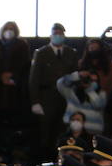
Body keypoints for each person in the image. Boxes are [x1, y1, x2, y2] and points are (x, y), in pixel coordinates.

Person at [29, 23, 80, 158]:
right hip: (46, 97)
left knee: (62, 131)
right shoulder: (41, 53)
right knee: (45, 132)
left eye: (60, 33)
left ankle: (60, 159)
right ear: (51, 35)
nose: (58, 35)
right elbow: (34, 79)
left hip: (65, 98)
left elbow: (75, 76)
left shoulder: (71, 53)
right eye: (55, 33)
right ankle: (44, 160)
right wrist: (35, 102)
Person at [0, 21, 31, 131]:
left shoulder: (22, 45)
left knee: (14, 121)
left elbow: (25, 64)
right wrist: (1, 75)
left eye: (12, 29)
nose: (9, 31)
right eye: (7, 29)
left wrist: (13, 75)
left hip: (16, 88)